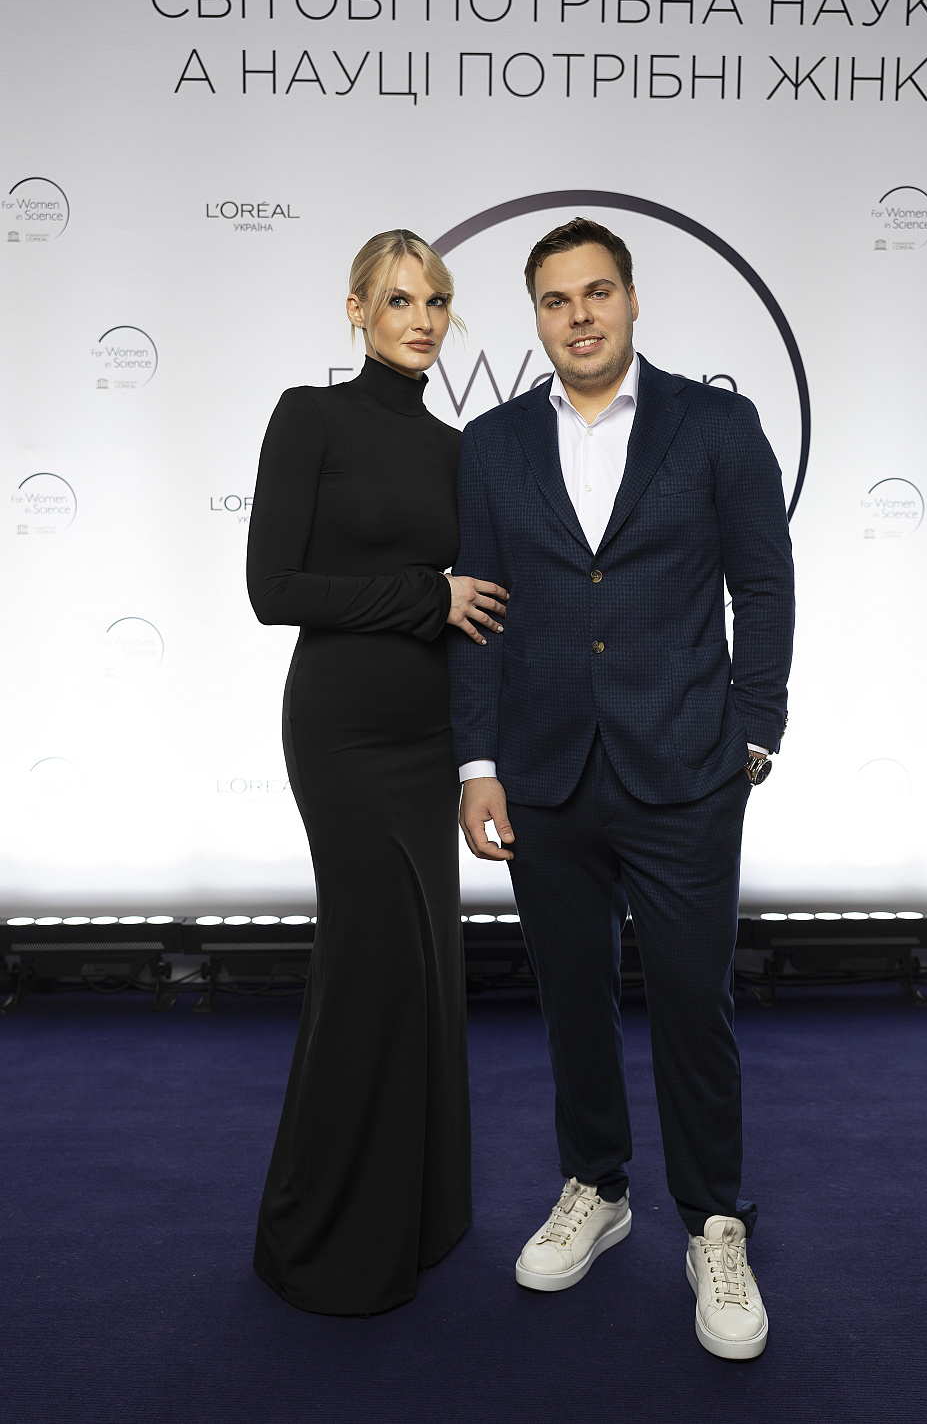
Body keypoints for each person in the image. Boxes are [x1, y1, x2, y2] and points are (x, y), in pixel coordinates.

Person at [447, 217, 794, 1360]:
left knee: (694, 1002)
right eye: (555, 300)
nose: (579, 316)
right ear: (536, 317)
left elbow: (763, 584)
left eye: (597, 292)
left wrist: (754, 733)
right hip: (544, 772)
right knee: (572, 997)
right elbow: (478, 614)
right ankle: (596, 1187)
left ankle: (714, 1223)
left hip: (686, 768)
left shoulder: (716, 425)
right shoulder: (491, 444)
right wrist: (477, 763)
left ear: (632, 299)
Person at [246, 229, 508, 1316]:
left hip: (428, 739)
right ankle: (326, 1234)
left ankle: (419, 1213)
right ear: (356, 310)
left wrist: (479, 757)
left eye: (436, 301)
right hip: (343, 735)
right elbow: (273, 589)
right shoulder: (309, 417)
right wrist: (422, 594)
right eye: (398, 299)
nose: (422, 319)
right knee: (368, 964)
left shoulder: (459, 449)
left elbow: (481, 613)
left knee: (426, 970)